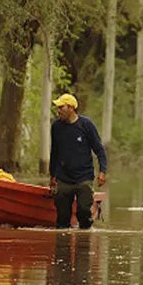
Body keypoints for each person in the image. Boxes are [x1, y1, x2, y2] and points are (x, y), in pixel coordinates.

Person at [49, 93, 107, 229]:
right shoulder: (56, 127)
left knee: (83, 212)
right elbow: (54, 152)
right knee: (62, 218)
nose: (58, 111)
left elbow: (99, 150)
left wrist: (102, 171)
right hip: (63, 177)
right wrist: (52, 175)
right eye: (57, 108)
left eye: (61, 107)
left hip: (83, 177)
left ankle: (84, 240)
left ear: (71, 108)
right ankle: (63, 245)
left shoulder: (86, 125)